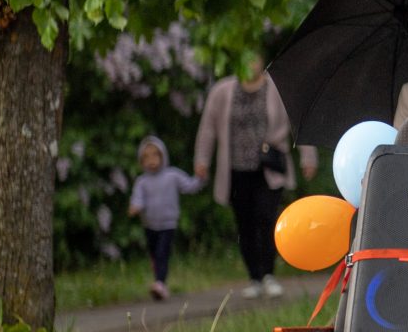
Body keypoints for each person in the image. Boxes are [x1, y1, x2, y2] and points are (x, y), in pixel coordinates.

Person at [195, 56, 313, 299]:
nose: (250, 64)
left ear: (261, 60)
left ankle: (269, 275)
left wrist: (308, 158)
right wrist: (202, 160)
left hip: (269, 168)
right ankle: (254, 277)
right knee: (245, 223)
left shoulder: (277, 89)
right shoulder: (222, 91)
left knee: (267, 218)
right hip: (236, 170)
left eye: (254, 58)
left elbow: (297, 121)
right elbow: (208, 127)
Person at [126, 135, 203, 300]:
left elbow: (190, 185)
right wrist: (135, 207)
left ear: (163, 156)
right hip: (149, 225)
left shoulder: (172, 175)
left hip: (168, 224)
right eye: (146, 157)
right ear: (141, 161)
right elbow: (137, 199)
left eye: (155, 155)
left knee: (162, 252)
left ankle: (160, 283)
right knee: (155, 255)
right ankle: (160, 282)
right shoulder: (141, 182)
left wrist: (200, 178)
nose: (151, 160)